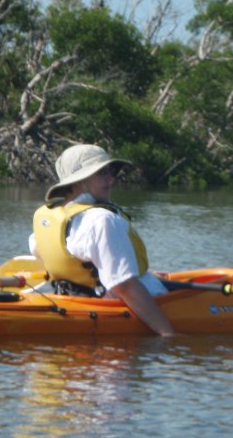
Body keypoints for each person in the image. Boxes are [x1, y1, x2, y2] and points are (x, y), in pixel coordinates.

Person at [30, 144, 174, 337]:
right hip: (109, 304)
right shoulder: (101, 220)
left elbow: (43, 251)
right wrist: (168, 335)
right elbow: (125, 286)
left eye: (111, 171)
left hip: (70, 299)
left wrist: (135, 270)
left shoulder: (50, 217)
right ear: (79, 181)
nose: (111, 178)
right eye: (102, 173)